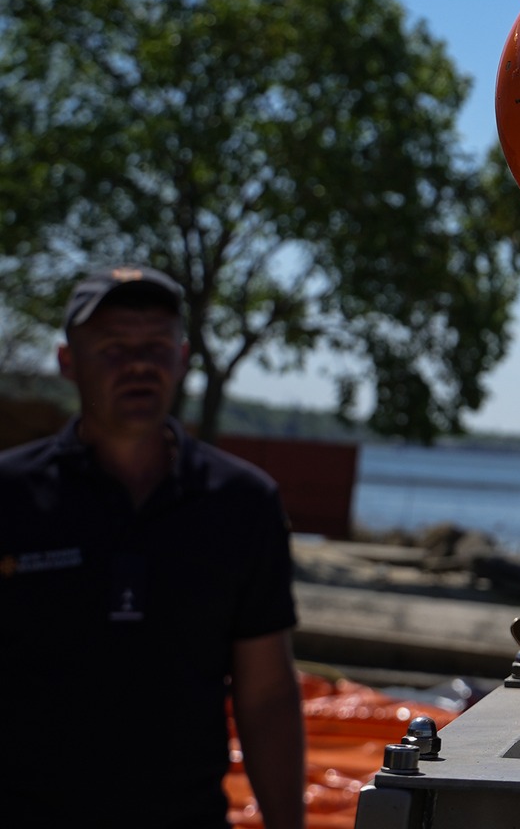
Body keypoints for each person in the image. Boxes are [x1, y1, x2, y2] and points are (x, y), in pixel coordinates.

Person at [0, 268, 305, 829]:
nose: (138, 365)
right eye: (114, 347)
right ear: (68, 362)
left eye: (156, 346)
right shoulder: (10, 495)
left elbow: (266, 696)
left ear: (182, 358)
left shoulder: (243, 502)